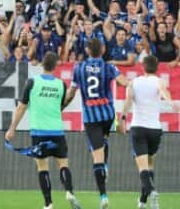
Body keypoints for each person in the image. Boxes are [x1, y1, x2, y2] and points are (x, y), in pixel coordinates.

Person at [4, 52, 80, 209]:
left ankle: (48, 203)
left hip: (39, 132)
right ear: (55, 66)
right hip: (57, 132)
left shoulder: (32, 82)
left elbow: (22, 107)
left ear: (42, 64)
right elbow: (60, 107)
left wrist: (12, 128)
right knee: (63, 165)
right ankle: (69, 192)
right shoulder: (61, 84)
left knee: (42, 167)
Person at [70, 38, 127, 209]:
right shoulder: (109, 67)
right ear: (102, 50)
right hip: (108, 114)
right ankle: (106, 166)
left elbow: (71, 92)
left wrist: (62, 105)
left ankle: (103, 196)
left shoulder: (78, 68)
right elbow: (123, 81)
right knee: (103, 141)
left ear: (88, 50)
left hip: (91, 118)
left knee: (96, 155)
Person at [119, 54, 174, 209]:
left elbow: (128, 101)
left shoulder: (134, 82)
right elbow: (163, 91)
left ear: (143, 66)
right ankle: (143, 201)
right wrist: (170, 102)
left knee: (143, 168)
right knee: (150, 165)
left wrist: (122, 118)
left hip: (138, 128)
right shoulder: (159, 81)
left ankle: (152, 191)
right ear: (157, 67)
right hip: (155, 130)